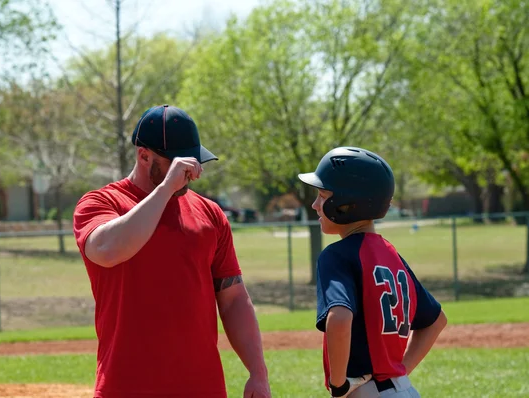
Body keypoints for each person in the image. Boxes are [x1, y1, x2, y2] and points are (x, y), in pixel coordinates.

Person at [73, 104, 271, 398]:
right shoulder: (102, 203)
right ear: (144, 156)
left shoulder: (210, 213)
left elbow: (233, 300)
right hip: (126, 388)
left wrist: (258, 373)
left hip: (203, 389)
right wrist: (165, 189)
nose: (194, 174)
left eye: (196, 163)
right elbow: (107, 250)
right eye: (181, 165)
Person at [297, 146, 448, 397]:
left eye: (323, 196)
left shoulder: (335, 256)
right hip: (406, 391)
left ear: (346, 205)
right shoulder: (392, 255)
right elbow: (436, 321)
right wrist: (400, 370)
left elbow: (340, 319)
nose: (314, 205)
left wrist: (338, 385)